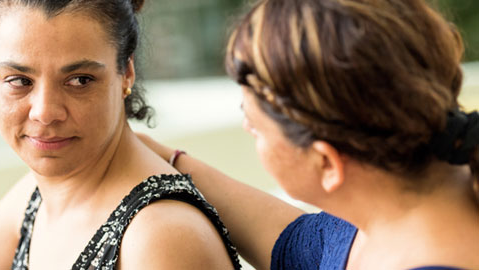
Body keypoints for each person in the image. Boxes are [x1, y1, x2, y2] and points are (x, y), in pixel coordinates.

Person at [139, 0, 479, 269]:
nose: (247, 129)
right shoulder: (388, 214)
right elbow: (296, 245)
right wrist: (162, 157)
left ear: (327, 163)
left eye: (255, 127)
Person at [0, 0, 241, 269]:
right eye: (19, 80)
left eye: (80, 80)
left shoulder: (160, 237)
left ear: (125, 72)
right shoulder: (38, 197)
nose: (45, 111)